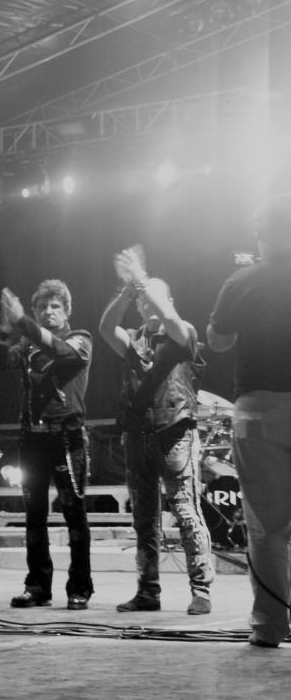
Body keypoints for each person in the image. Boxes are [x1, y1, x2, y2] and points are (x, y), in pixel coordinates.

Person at [98, 246, 214, 615]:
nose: (147, 302)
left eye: (153, 297)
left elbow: (170, 319)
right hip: (138, 435)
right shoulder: (132, 340)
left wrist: (143, 281)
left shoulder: (183, 333)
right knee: (144, 519)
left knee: (185, 511)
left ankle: (201, 590)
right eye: (141, 299)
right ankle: (148, 591)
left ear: (168, 301)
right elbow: (105, 328)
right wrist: (127, 290)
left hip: (174, 433)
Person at [207, 194, 291, 648]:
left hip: (259, 411)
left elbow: (218, 342)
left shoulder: (241, 281)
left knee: (267, 527)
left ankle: (270, 625)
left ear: (260, 232)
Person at [0, 280, 93, 610]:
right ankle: (37, 586)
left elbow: (62, 353)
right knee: (34, 516)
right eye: (42, 307)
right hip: (32, 437)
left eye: (55, 306)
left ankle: (80, 587)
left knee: (74, 515)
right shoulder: (27, 343)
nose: (48, 312)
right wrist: (5, 329)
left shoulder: (80, 339)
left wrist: (22, 321)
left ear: (67, 311)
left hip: (68, 437)